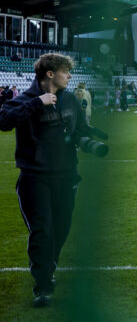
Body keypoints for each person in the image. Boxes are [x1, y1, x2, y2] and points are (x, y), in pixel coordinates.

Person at [0, 53, 103, 307]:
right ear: (50, 74)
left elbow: (77, 129)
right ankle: (43, 286)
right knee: (42, 230)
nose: (69, 76)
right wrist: (38, 103)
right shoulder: (25, 99)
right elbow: (3, 121)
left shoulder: (69, 99)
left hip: (67, 177)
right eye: (65, 71)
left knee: (61, 229)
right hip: (35, 178)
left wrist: (93, 137)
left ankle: (49, 269)